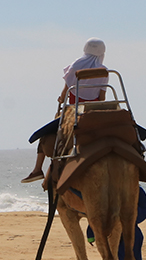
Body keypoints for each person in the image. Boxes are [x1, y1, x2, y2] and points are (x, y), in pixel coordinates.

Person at [21, 38, 109, 183]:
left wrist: (61, 99)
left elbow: (65, 92)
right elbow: (102, 98)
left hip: (75, 112)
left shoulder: (75, 66)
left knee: (45, 135)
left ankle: (37, 170)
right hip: (94, 112)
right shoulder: (103, 71)